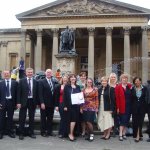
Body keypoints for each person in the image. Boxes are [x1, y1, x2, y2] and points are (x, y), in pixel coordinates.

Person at [17, 68, 38, 140]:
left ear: (33, 73)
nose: (30, 73)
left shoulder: (35, 81)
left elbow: (37, 93)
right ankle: (21, 133)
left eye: (31, 72)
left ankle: (31, 132)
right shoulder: (21, 81)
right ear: (26, 73)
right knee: (22, 118)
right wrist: (18, 102)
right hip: (23, 101)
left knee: (32, 118)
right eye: (28, 72)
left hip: (32, 101)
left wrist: (37, 102)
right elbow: (18, 93)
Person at [0, 70, 18, 139]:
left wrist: (17, 103)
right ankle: (1, 132)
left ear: (10, 74)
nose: (6, 75)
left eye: (7, 73)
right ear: (3, 75)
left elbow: (17, 94)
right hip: (2, 103)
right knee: (1, 118)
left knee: (10, 118)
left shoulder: (15, 83)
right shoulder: (0, 83)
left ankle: (9, 132)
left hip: (11, 102)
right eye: (5, 74)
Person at [38, 69, 56, 137]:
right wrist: (42, 103)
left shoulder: (53, 81)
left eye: (50, 72)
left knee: (50, 118)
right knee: (43, 118)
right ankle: (43, 132)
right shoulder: (41, 81)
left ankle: (49, 131)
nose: (49, 73)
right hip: (44, 104)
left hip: (51, 104)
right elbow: (40, 93)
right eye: (48, 72)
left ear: (51, 74)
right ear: (45, 73)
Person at [63, 74, 81, 141]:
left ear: (76, 79)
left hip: (76, 106)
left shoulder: (78, 87)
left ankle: (71, 133)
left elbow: (79, 96)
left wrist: (80, 102)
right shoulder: (67, 86)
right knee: (70, 120)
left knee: (74, 120)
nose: (73, 78)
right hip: (69, 106)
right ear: (69, 79)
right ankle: (70, 134)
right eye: (71, 77)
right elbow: (64, 97)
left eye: (74, 77)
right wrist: (65, 106)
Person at [115, 74, 132, 141]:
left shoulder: (129, 86)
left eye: (125, 78)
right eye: (123, 78)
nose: (124, 79)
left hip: (129, 106)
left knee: (126, 120)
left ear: (127, 80)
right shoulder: (118, 87)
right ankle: (120, 134)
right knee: (122, 120)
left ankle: (124, 133)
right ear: (121, 79)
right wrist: (118, 108)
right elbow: (117, 98)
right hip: (122, 106)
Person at [131, 77, 147, 142]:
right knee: (135, 122)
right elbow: (131, 99)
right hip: (134, 108)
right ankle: (139, 135)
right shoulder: (132, 89)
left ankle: (138, 136)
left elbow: (146, 98)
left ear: (140, 81)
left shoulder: (145, 89)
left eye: (138, 81)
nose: (136, 82)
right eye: (135, 81)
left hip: (142, 108)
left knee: (140, 122)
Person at [77, 72, 87, 137]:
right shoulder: (77, 83)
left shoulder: (88, 83)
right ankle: (83, 131)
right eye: (82, 76)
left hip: (87, 102)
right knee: (82, 118)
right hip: (79, 102)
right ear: (80, 77)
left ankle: (87, 130)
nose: (83, 77)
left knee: (87, 117)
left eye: (84, 76)